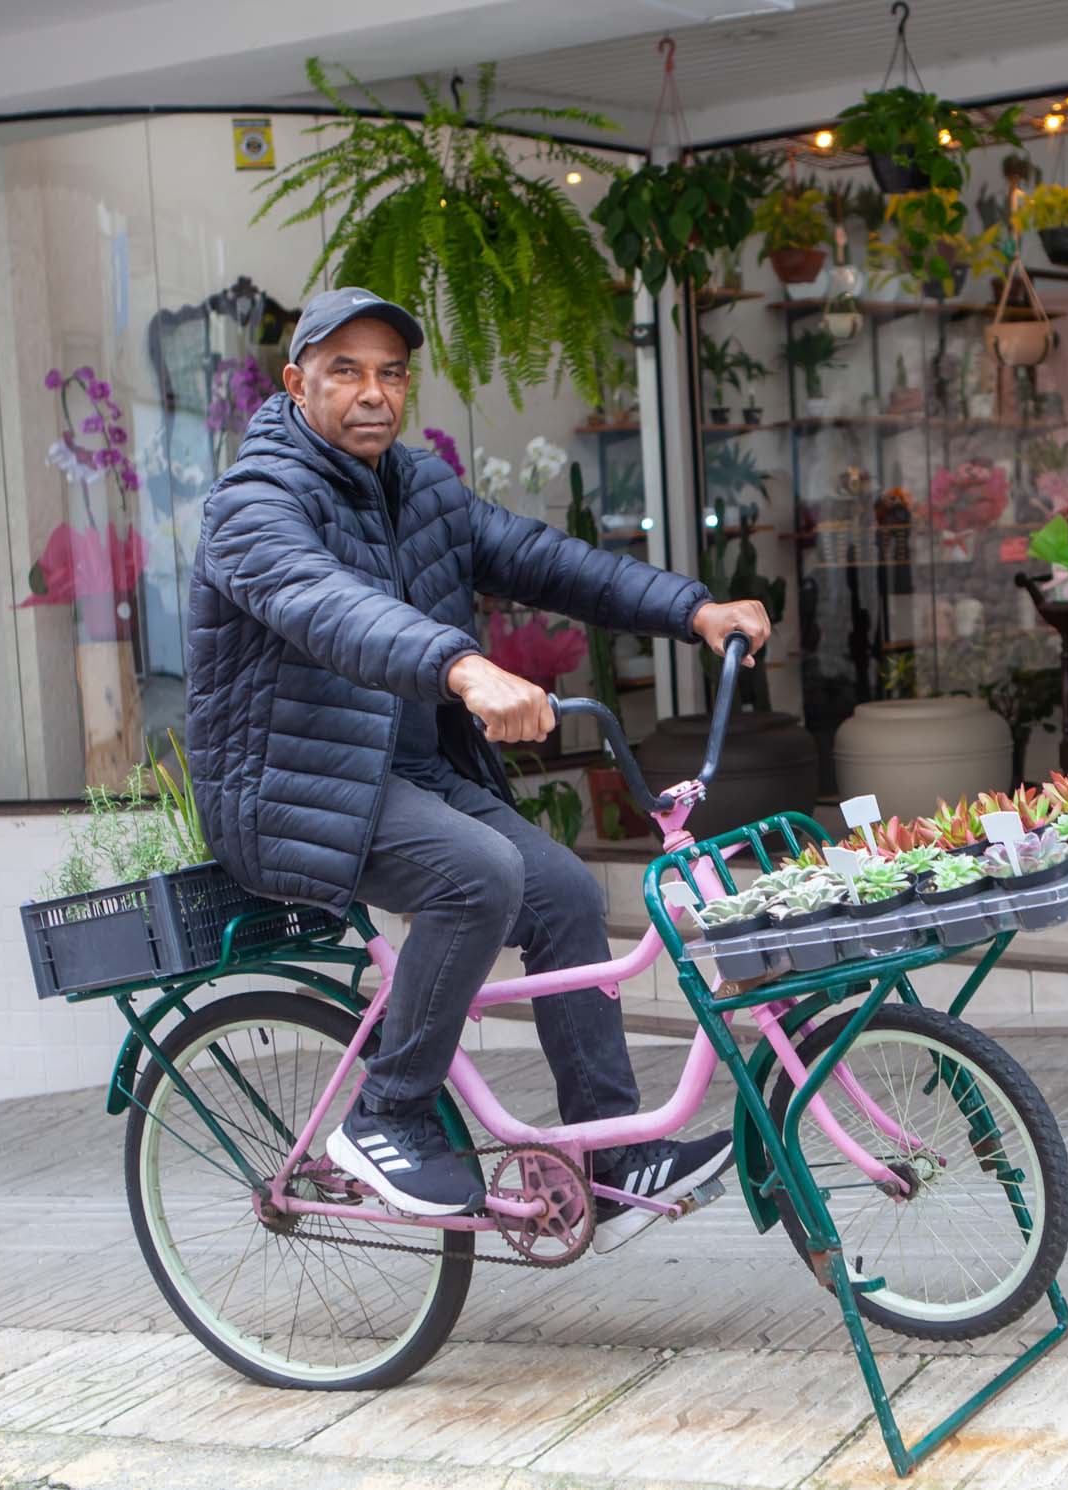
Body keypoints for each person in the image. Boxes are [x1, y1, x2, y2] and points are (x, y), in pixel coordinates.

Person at [185, 288, 770, 1248]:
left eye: (390, 373)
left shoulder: (418, 487)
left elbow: (544, 560)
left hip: (408, 773)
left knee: (565, 893)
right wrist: (464, 667)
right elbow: (328, 605)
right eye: (345, 372)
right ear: (296, 383)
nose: (373, 393)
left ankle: (609, 1154)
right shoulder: (252, 505)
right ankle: (387, 1114)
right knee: (478, 874)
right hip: (292, 791)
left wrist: (692, 610)